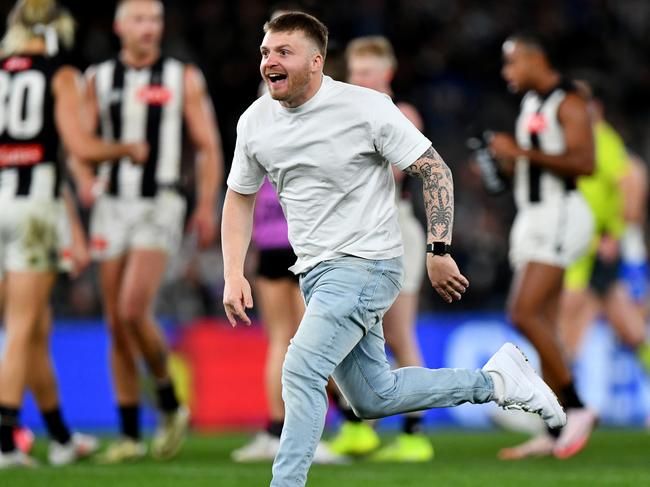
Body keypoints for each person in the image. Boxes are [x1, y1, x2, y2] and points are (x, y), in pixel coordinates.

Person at [222, 13, 565, 486]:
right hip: (315, 274)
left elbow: (435, 170)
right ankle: (497, 381)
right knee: (373, 397)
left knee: (300, 369)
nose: (269, 61)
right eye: (265, 52)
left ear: (317, 61)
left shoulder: (366, 108)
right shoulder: (255, 121)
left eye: (283, 52)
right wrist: (233, 272)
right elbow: (238, 198)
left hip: (367, 265)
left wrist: (438, 247)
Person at [72, 0, 223, 463]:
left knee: (133, 309)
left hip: (160, 200)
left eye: (155, 19)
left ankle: (169, 399)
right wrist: (84, 183)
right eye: (139, 19)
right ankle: (132, 435)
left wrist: (204, 204)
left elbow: (208, 146)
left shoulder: (183, 78)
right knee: (116, 324)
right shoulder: (97, 79)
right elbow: (79, 143)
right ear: (119, 27)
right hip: (112, 203)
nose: (149, 27)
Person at [0, 0, 147, 468]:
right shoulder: (58, 72)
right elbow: (78, 146)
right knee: (22, 328)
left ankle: (61, 438)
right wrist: (125, 147)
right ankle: (5, 441)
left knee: (33, 328)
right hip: (33, 210)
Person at [488, 34, 596, 460]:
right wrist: (506, 160)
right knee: (542, 322)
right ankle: (556, 427)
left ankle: (577, 405)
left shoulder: (568, 100)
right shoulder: (532, 104)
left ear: (535, 58)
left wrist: (523, 153)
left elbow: (585, 163)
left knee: (523, 312)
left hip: (560, 213)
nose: (506, 72)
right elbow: (532, 157)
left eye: (512, 63)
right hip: (532, 215)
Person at [326, 35, 432, 462]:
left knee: (399, 334)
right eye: (355, 73)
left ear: (387, 74)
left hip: (395, 229)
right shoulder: (348, 113)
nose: (360, 80)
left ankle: (413, 435)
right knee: (352, 332)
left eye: (368, 72)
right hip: (357, 233)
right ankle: (358, 430)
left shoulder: (400, 114)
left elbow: (392, 172)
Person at [559, 81, 650, 372]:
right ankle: (563, 399)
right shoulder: (580, 140)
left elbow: (632, 179)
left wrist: (614, 234)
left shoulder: (599, 138)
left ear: (595, 107)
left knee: (570, 315)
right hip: (587, 245)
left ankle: (558, 399)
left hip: (598, 246)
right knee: (628, 328)